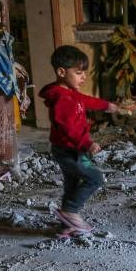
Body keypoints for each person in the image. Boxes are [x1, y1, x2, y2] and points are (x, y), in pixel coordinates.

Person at [39, 45, 119, 234]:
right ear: (61, 72)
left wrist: (107, 106)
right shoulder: (62, 99)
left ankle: (67, 225)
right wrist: (87, 143)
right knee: (95, 178)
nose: (83, 77)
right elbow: (69, 129)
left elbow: (86, 100)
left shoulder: (70, 93)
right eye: (78, 73)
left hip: (70, 149)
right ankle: (70, 212)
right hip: (70, 150)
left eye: (84, 73)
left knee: (72, 184)